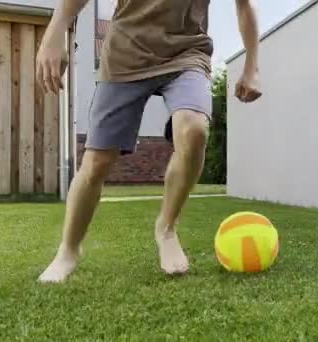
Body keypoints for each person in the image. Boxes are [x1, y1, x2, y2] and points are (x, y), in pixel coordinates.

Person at [36, 0, 262, 283]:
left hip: (187, 52)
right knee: (97, 162)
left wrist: (252, 66)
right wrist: (55, 31)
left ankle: (166, 228)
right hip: (125, 54)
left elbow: (244, 5)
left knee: (194, 130)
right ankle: (68, 251)